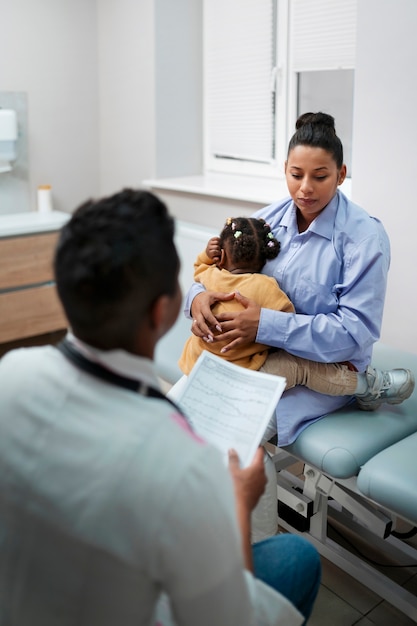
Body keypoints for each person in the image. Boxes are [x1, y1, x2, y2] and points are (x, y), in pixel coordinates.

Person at [0, 189, 321, 626]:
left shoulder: (10, 374)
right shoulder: (182, 459)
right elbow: (228, 617)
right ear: (163, 309)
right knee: (297, 557)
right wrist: (240, 505)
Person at [185, 112, 415, 538]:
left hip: (321, 373)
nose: (305, 189)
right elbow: (217, 272)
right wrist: (196, 298)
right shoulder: (269, 219)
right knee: (188, 420)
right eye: (295, 175)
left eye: (320, 176)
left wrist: (266, 326)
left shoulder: (364, 239)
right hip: (255, 359)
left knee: (235, 444)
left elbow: (353, 332)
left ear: (342, 174)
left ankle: (261, 563)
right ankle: (210, 539)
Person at [179, 215, 414, 408]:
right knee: (301, 366)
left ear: (222, 256)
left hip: (199, 367)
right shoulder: (265, 286)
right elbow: (287, 321)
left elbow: (199, 267)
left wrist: (206, 259)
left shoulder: (211, 275)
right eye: (296, 174)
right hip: (242, 376)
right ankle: (367, 387)